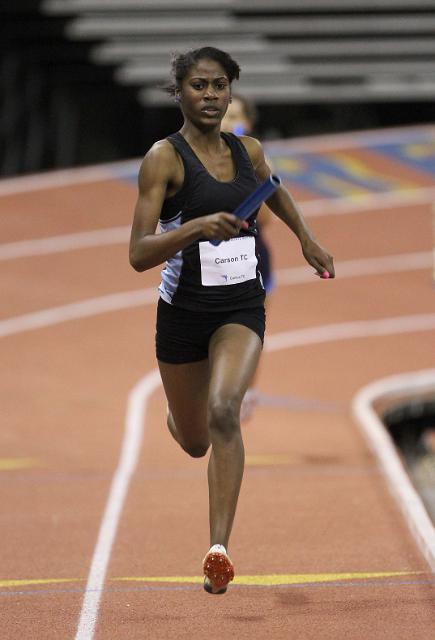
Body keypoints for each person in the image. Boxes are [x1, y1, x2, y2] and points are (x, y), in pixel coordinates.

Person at [129, 46, 334, 595]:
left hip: (240, 307)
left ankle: (218, 549)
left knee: (226, 410)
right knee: (196, 439)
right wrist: (196, 228)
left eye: (220, 85)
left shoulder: (248, 150)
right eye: (200, 86)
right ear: (181, 91)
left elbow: (276, 189)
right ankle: (178, 418)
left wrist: (306, 238)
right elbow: (138, 253)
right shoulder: (163, 159)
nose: (211, 96)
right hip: (181, 315)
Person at [221, 94, 275, 421]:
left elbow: (266, 218)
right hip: (206, 261)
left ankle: (245, 394)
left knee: (249, 334)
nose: (227, 121)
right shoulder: (191, 157)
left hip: (251, 260)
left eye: (235, 116)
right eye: (224, 115)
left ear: (247, 123)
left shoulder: (256, 161)